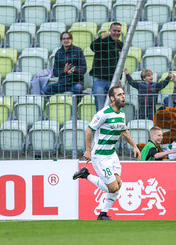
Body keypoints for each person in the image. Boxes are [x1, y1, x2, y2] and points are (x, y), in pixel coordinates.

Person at [72, 86, 141, 221]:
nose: (123, 97)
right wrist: (88, 150)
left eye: (123, 94)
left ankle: (103, 214)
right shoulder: (103, 113)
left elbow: (124, 131)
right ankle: (86, 175)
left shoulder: (121, 114)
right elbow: (88, 130)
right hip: (101, 156)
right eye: (119, 95)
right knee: (113, 187)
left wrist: (134, 146)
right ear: (112, 98)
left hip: (112, 154)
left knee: (118, 185)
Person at [90, 22, 124, 112]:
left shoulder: (121, 44)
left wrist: (120, 77)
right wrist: (103, 37)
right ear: (109, 31)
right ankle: (101, 125)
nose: (116, 33)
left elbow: (120, 64)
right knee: (101, 107)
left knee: (115, 107)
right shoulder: (102, 41)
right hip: (100, 80)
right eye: (114, 31)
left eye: (118, 31)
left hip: (114, 80)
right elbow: (92, 47)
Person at [43, 31, 86, 96]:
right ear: (61, 41)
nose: (66, 40)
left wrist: (74, 70)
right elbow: (55, 72)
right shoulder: (58, 53)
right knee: (46, 89)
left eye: (68, 38)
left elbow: (83, 69)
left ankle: (75, 105)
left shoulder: (78, 51)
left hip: (75, 83)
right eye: (64, 39)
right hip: (62, 84)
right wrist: (64, 71)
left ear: (71, 40)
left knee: (78, 88)